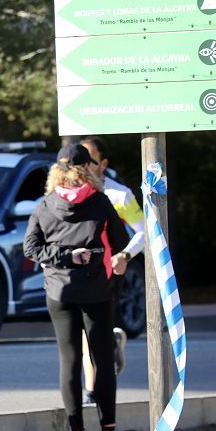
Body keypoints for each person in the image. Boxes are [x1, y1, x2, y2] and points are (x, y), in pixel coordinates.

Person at [23, 143, 130, 431]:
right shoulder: (100, 202)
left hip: (59, 293)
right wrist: (91, 255)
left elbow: (31, 249)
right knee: (102, 361)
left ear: (58, 169)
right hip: (97, 291)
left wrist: (65, 256)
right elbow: (120, 241)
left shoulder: (45, 204)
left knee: (69, 362)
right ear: (89, 168)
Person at [79, 136, 144, 405]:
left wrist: (125, 254)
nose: (82, 166)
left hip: (109, 271)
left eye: (90, 161)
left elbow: (144, 231)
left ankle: (97, 385)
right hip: (79, 271)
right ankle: (92, 389)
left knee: (94, 328)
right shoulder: (69, 193)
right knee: (84, 330)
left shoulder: (119, 195)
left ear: (103, 164)